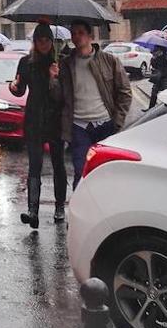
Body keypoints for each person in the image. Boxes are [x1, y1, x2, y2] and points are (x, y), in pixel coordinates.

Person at [59, 21, 132, 189]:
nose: (76, 37)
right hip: (78, 126)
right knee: (81, 171)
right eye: (74, 33)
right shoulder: (66, 64)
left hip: (105, 124)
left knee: (104, 171)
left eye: (80, 33)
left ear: (91, 36)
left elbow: (125, 91)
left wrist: (117, 121)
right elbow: (59, 96)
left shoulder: (109, 61)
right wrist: (53, 79)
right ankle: (80, 210)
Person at [9, 23, 66, 228]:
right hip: (34, 119)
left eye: (47, 40)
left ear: (51, 42)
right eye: (39, 40)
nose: (43, 43)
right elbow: (19, 90)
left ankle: (60, 207)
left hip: (55, 120)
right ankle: (33, 210)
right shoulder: (26, 62)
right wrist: (13, 86)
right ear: (35, 42)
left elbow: (62, 96)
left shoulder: (59, 63)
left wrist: (55, 78)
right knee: (34, 165)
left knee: (58, 164)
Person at [148, 42, 167, 109]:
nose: (155, 52)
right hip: (158, 78)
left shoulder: (166, 58)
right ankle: (150, 108)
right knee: (154, 93)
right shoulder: (156, 58)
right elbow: (154, 66)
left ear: (161, 50)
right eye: (155, 51)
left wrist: (163, 73)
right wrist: (153, 59)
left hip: (165, 78)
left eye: (156, 51)